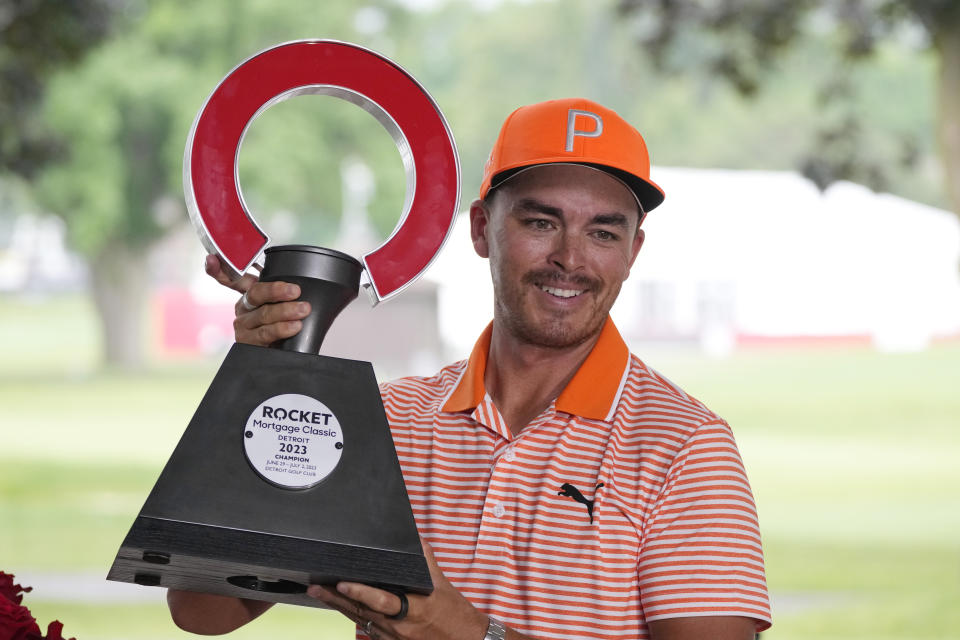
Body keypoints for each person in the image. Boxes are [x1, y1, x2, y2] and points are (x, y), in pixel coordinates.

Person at [168, 98, 772, 640]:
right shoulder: (387, 422)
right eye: (540, 222)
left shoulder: (686, 448)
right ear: (483, 229)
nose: (569, 258)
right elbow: (202, 608)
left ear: (634, 251)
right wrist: (268, 376)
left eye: (604, 233)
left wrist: (465, 634)